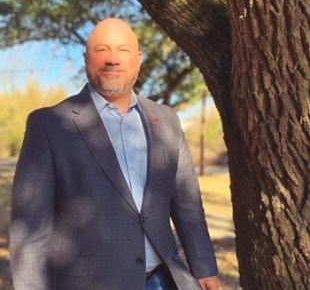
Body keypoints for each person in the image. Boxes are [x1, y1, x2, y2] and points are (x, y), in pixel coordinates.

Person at [10, 18, 221, 290]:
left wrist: (205, 268)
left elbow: (187, 205)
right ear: (87, 58)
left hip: (164, 280)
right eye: (102, 50)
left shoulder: (167, 120)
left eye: (123, 50)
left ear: (139, 59)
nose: (113, 59)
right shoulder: (48, 125)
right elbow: (30, 231)